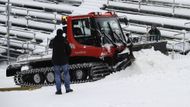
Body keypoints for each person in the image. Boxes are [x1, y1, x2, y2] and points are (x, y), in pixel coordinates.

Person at [49, 29, 73, 95]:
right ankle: (67, 89)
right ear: (62, 33)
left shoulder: (53, 40)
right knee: (66, 74)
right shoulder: (65, 40)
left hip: (56, 61)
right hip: (64, 60)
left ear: (56, 33)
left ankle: (59, 90)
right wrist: (67, 56)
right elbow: (69, 50)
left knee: (57, 75)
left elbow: (50, 46)